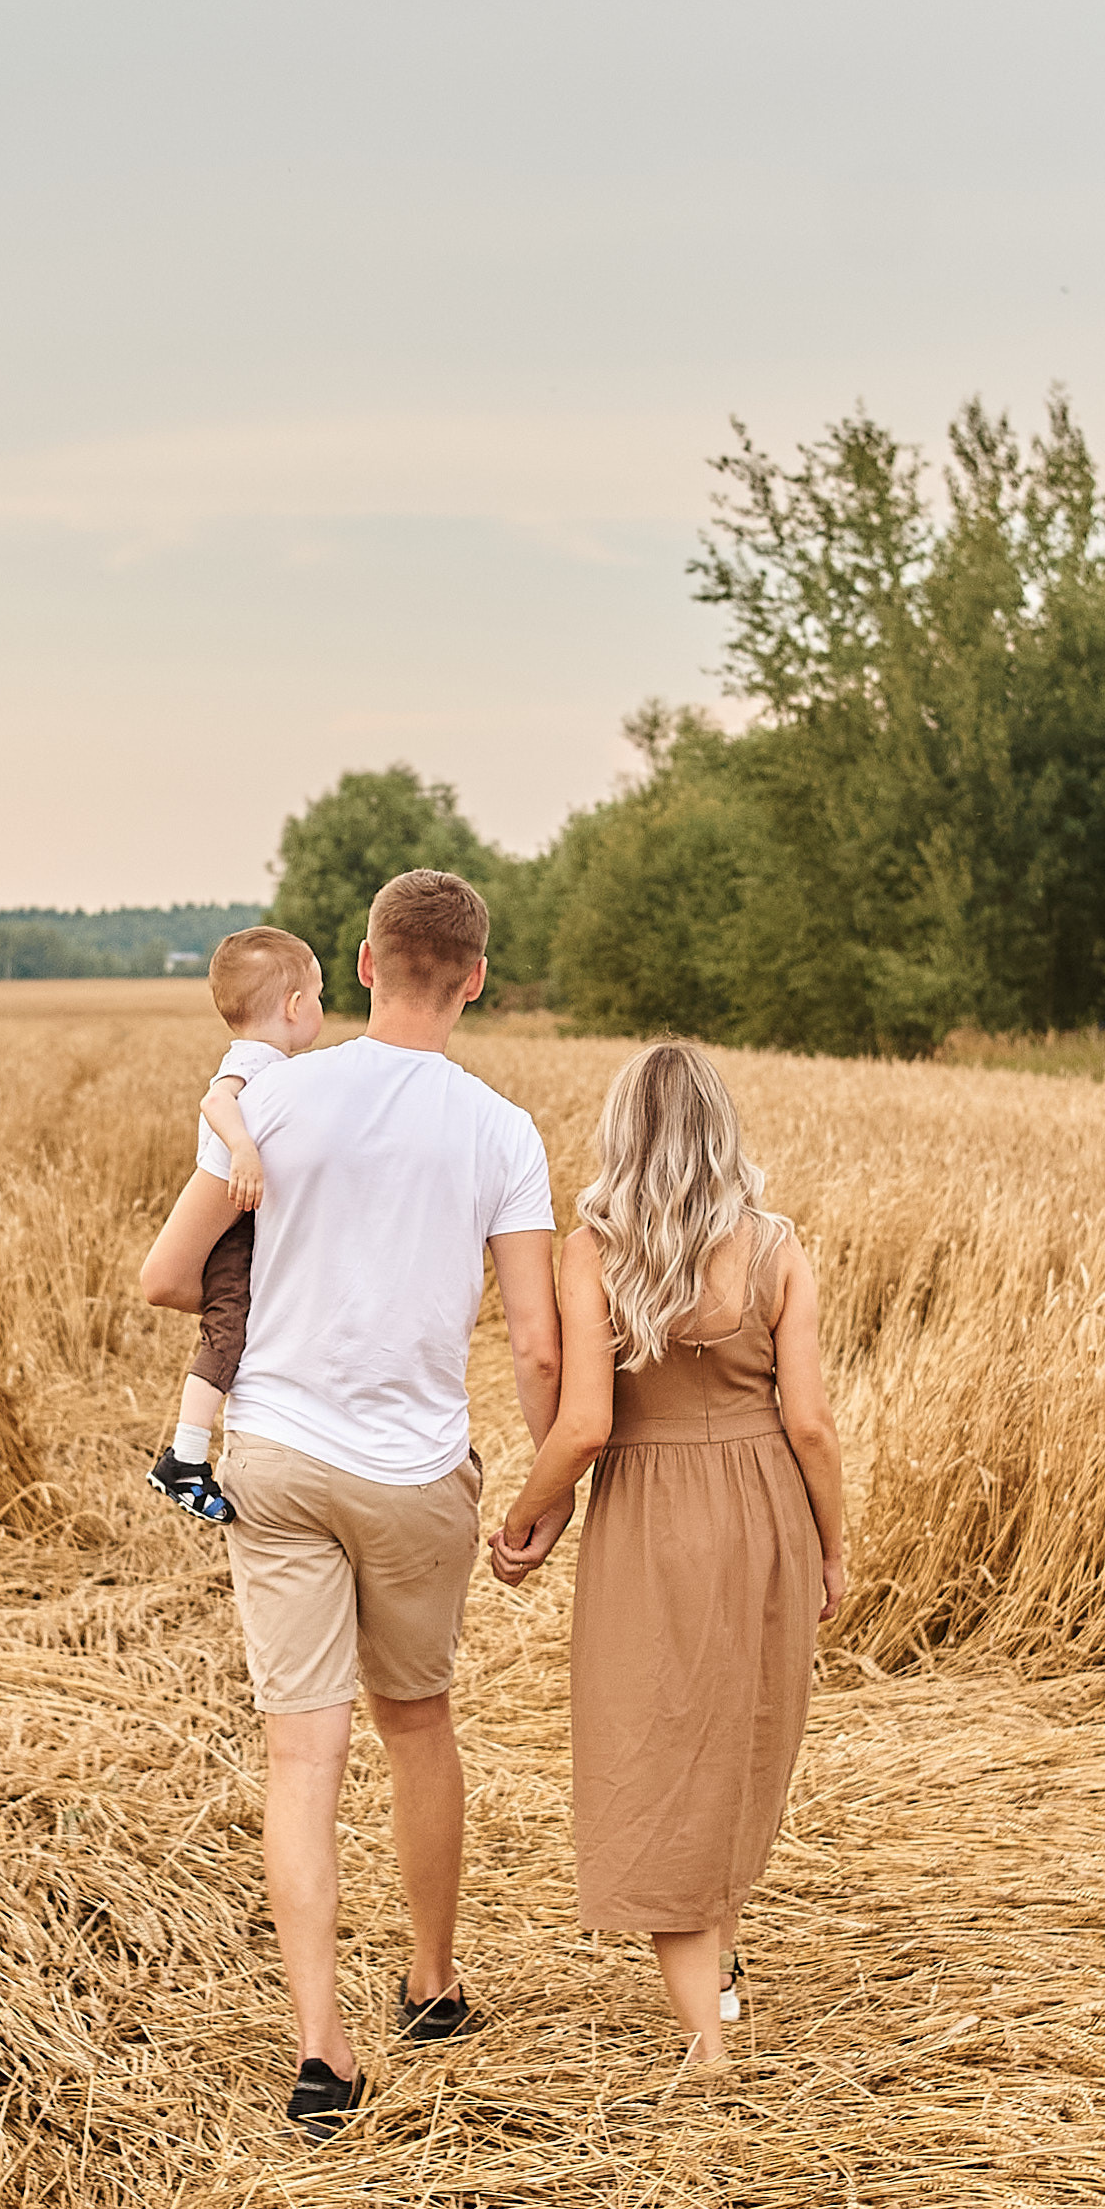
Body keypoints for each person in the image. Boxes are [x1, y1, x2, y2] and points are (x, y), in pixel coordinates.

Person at [138, 870, 562, 2131]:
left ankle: (322, 2054)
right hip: (419, 1474)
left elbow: (167, 1274)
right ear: (477, 979)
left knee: (300, 1754)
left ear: (368, 965)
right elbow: (538, 1345)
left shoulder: (274, 1094)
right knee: (418, 1723)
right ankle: (431, 1986)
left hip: (274, 1456)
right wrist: (547, 1493)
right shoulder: (504, 1132)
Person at [489, 1039, 848, 2074]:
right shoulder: (779, 1249)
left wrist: (524, 1521)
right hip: (767, 1510)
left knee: (655, 1748)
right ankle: (720, 1986)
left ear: (624, 1136)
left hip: (651, 1517)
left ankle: (708, 2049)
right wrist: (832, 1549)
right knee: (739, 1739)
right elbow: (813, 1426)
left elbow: (585, 1427)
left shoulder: (594, 1251)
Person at [145, 925, 325, 1530]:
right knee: (228, 1330)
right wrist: (245, 1151)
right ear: (296, 1005)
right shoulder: (255, 1063)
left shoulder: (265, 1063)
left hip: (244, 1225)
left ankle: (188, 1454)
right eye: (320, 997)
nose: (321, 1010)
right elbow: (217, 1104)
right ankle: (185, 1459)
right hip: (231, 1233)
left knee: (237, 1324)